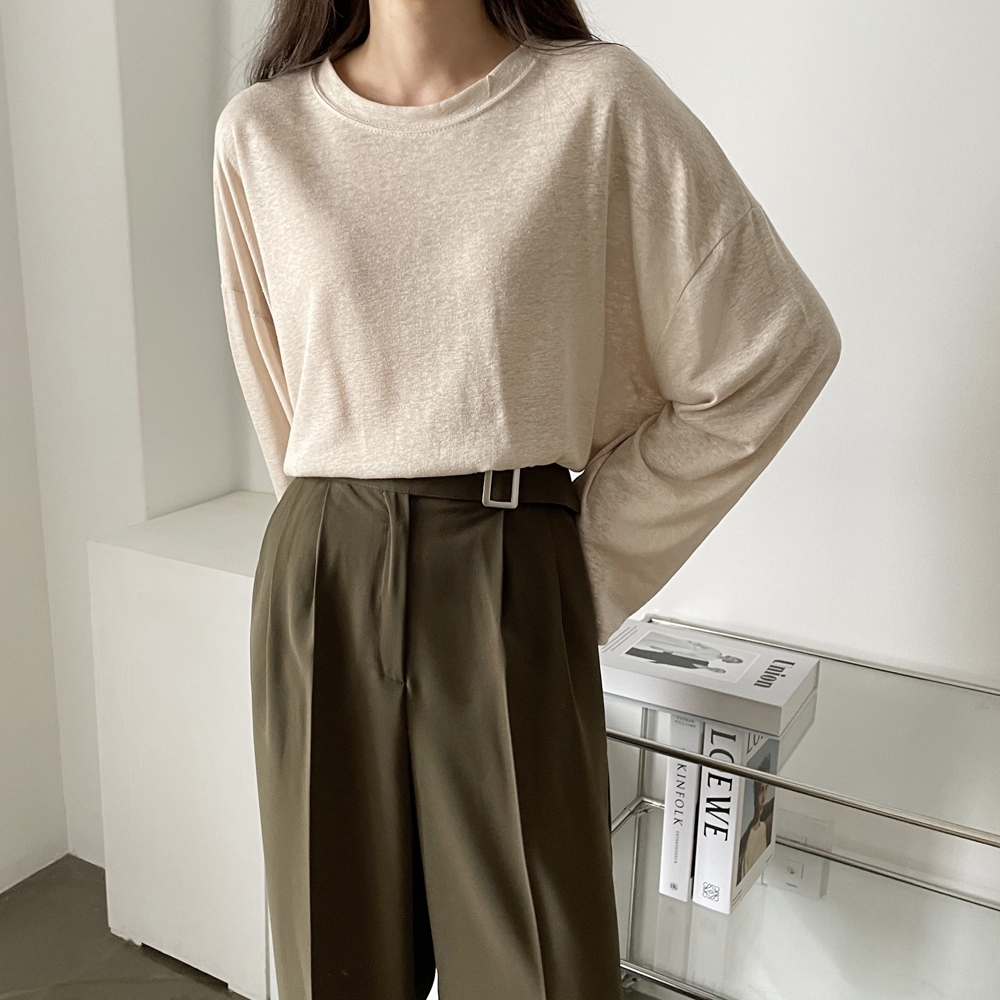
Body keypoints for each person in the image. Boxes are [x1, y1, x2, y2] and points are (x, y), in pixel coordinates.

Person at [211, 1, 842, 997]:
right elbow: (279, 399)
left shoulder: (594, 103)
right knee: (332, 964)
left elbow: (774, 348)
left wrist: (577, 564)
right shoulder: (262, 132)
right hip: (324, 574)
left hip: (509, 567)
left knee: (540, 973)